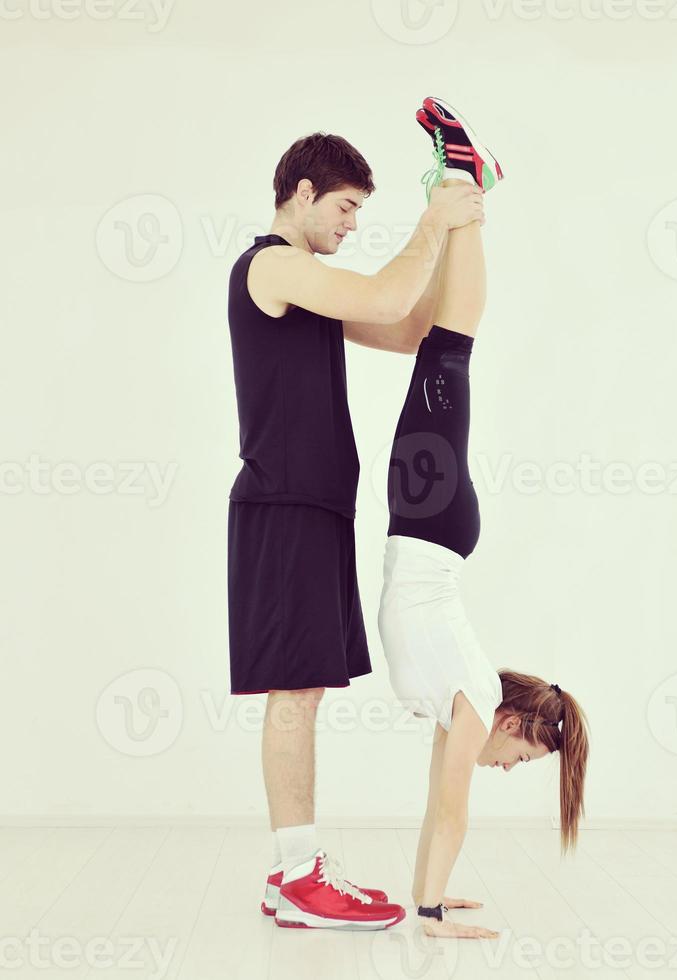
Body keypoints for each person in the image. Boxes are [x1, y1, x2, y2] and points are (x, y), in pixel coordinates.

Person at [226, 110, 485, 930]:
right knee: (293, 692)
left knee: (306, 689)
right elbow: (386, 290)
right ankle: (300, 874)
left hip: (319, 507)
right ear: (301, 193)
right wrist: (431, 219)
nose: (348, 225)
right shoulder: (272, 268)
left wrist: (459, 231)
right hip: (283, 504)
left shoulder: (312, 294)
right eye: (342, 209)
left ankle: (290, 876)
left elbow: (411, 326)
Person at [377, 97, 591, 940]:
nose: (507, 768)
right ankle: (468, 186)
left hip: (427, 522)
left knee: (443, 346)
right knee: (449, 347)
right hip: (429, 522)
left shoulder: (459, 704)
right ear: (513, 722)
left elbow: (438, 806)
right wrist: (430, 915)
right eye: (524, 759)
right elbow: (457, 808)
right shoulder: (469, 697)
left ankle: (463, 186)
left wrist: (430, 892)